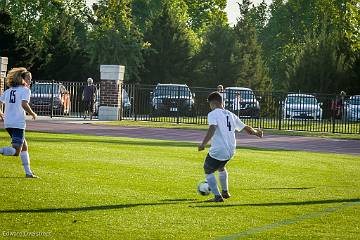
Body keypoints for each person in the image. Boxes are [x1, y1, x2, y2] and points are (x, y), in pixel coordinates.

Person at [198, 91, 263, 202]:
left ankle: (217, 197)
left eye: (210, 104)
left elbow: (212, 128)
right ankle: (225, 192)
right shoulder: (231, 114)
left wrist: (203, 143)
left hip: (219, 149)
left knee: (208, 170)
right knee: (221, 167)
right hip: (231, 150)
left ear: (213, 103)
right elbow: (245, 127)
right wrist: (256, 132)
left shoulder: (213, 114)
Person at [0, 67, 38, 178]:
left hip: (8, 123)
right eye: (28, 79)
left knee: (24, 146)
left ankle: (28, 173)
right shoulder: (25, 90)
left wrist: (1, 113)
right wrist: (32, 113)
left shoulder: (9, 90)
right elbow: (24, 104)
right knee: (16, 152)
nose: (30, 81)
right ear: (22, 79)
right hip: (18, 124)